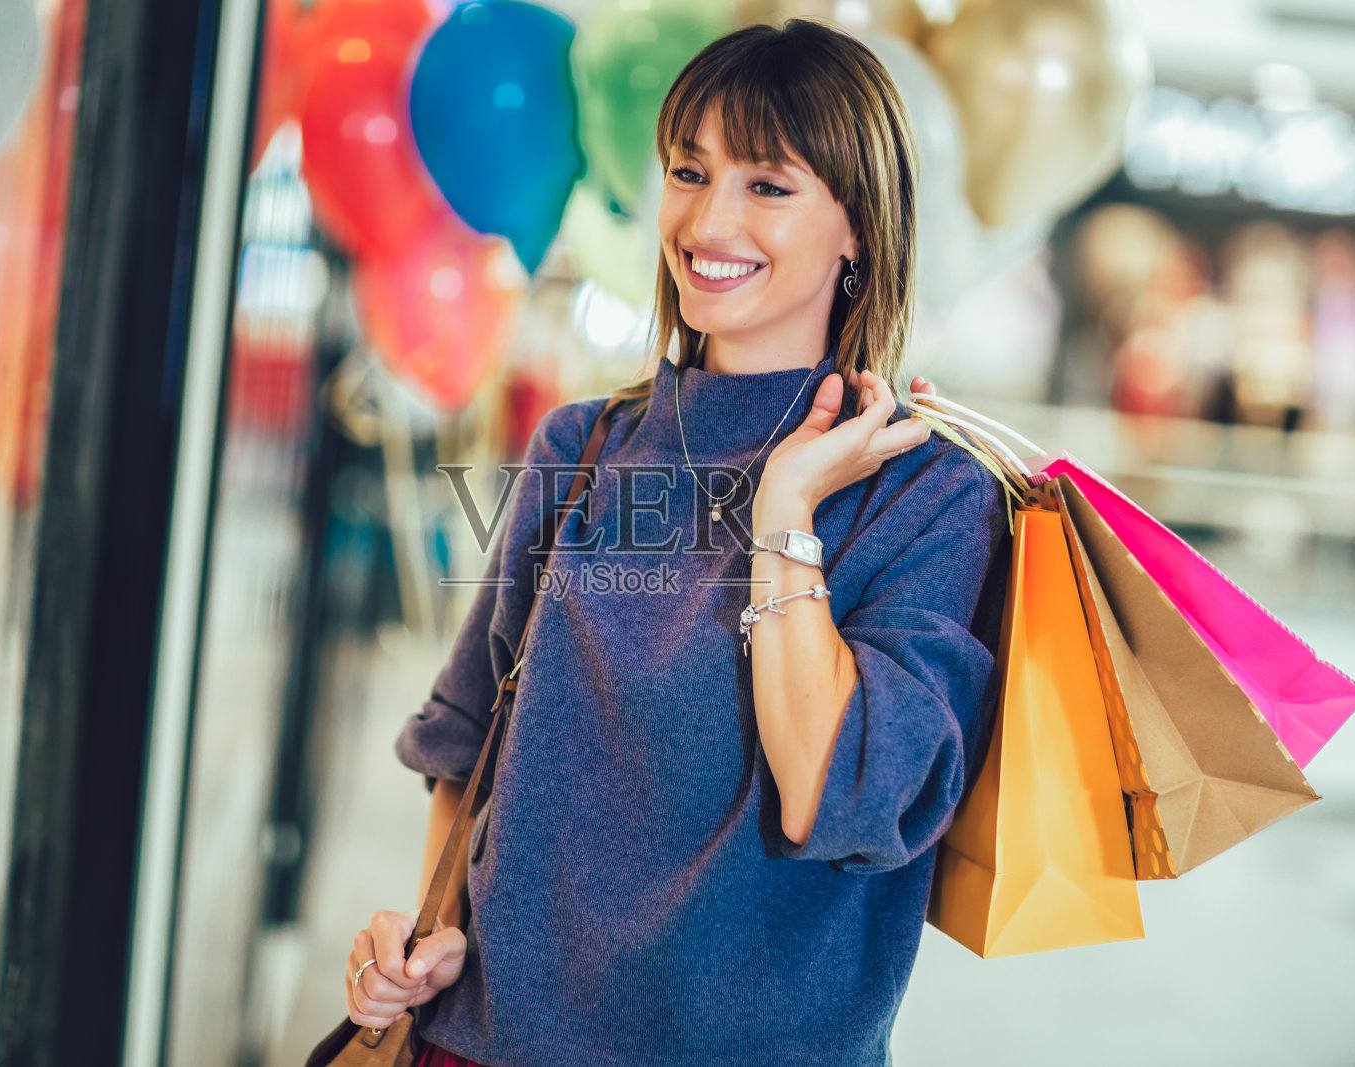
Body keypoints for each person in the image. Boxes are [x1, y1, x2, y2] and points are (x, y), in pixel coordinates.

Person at [345, 18, 1010, 1067]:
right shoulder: (585, 444)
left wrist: (785, 516)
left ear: (859, 229)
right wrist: (430, 943)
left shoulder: (925, 495)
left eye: (767, 185)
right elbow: (469, 740)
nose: (708, 218)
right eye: (688, 171)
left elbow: (836, 792)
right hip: (489, 1045)